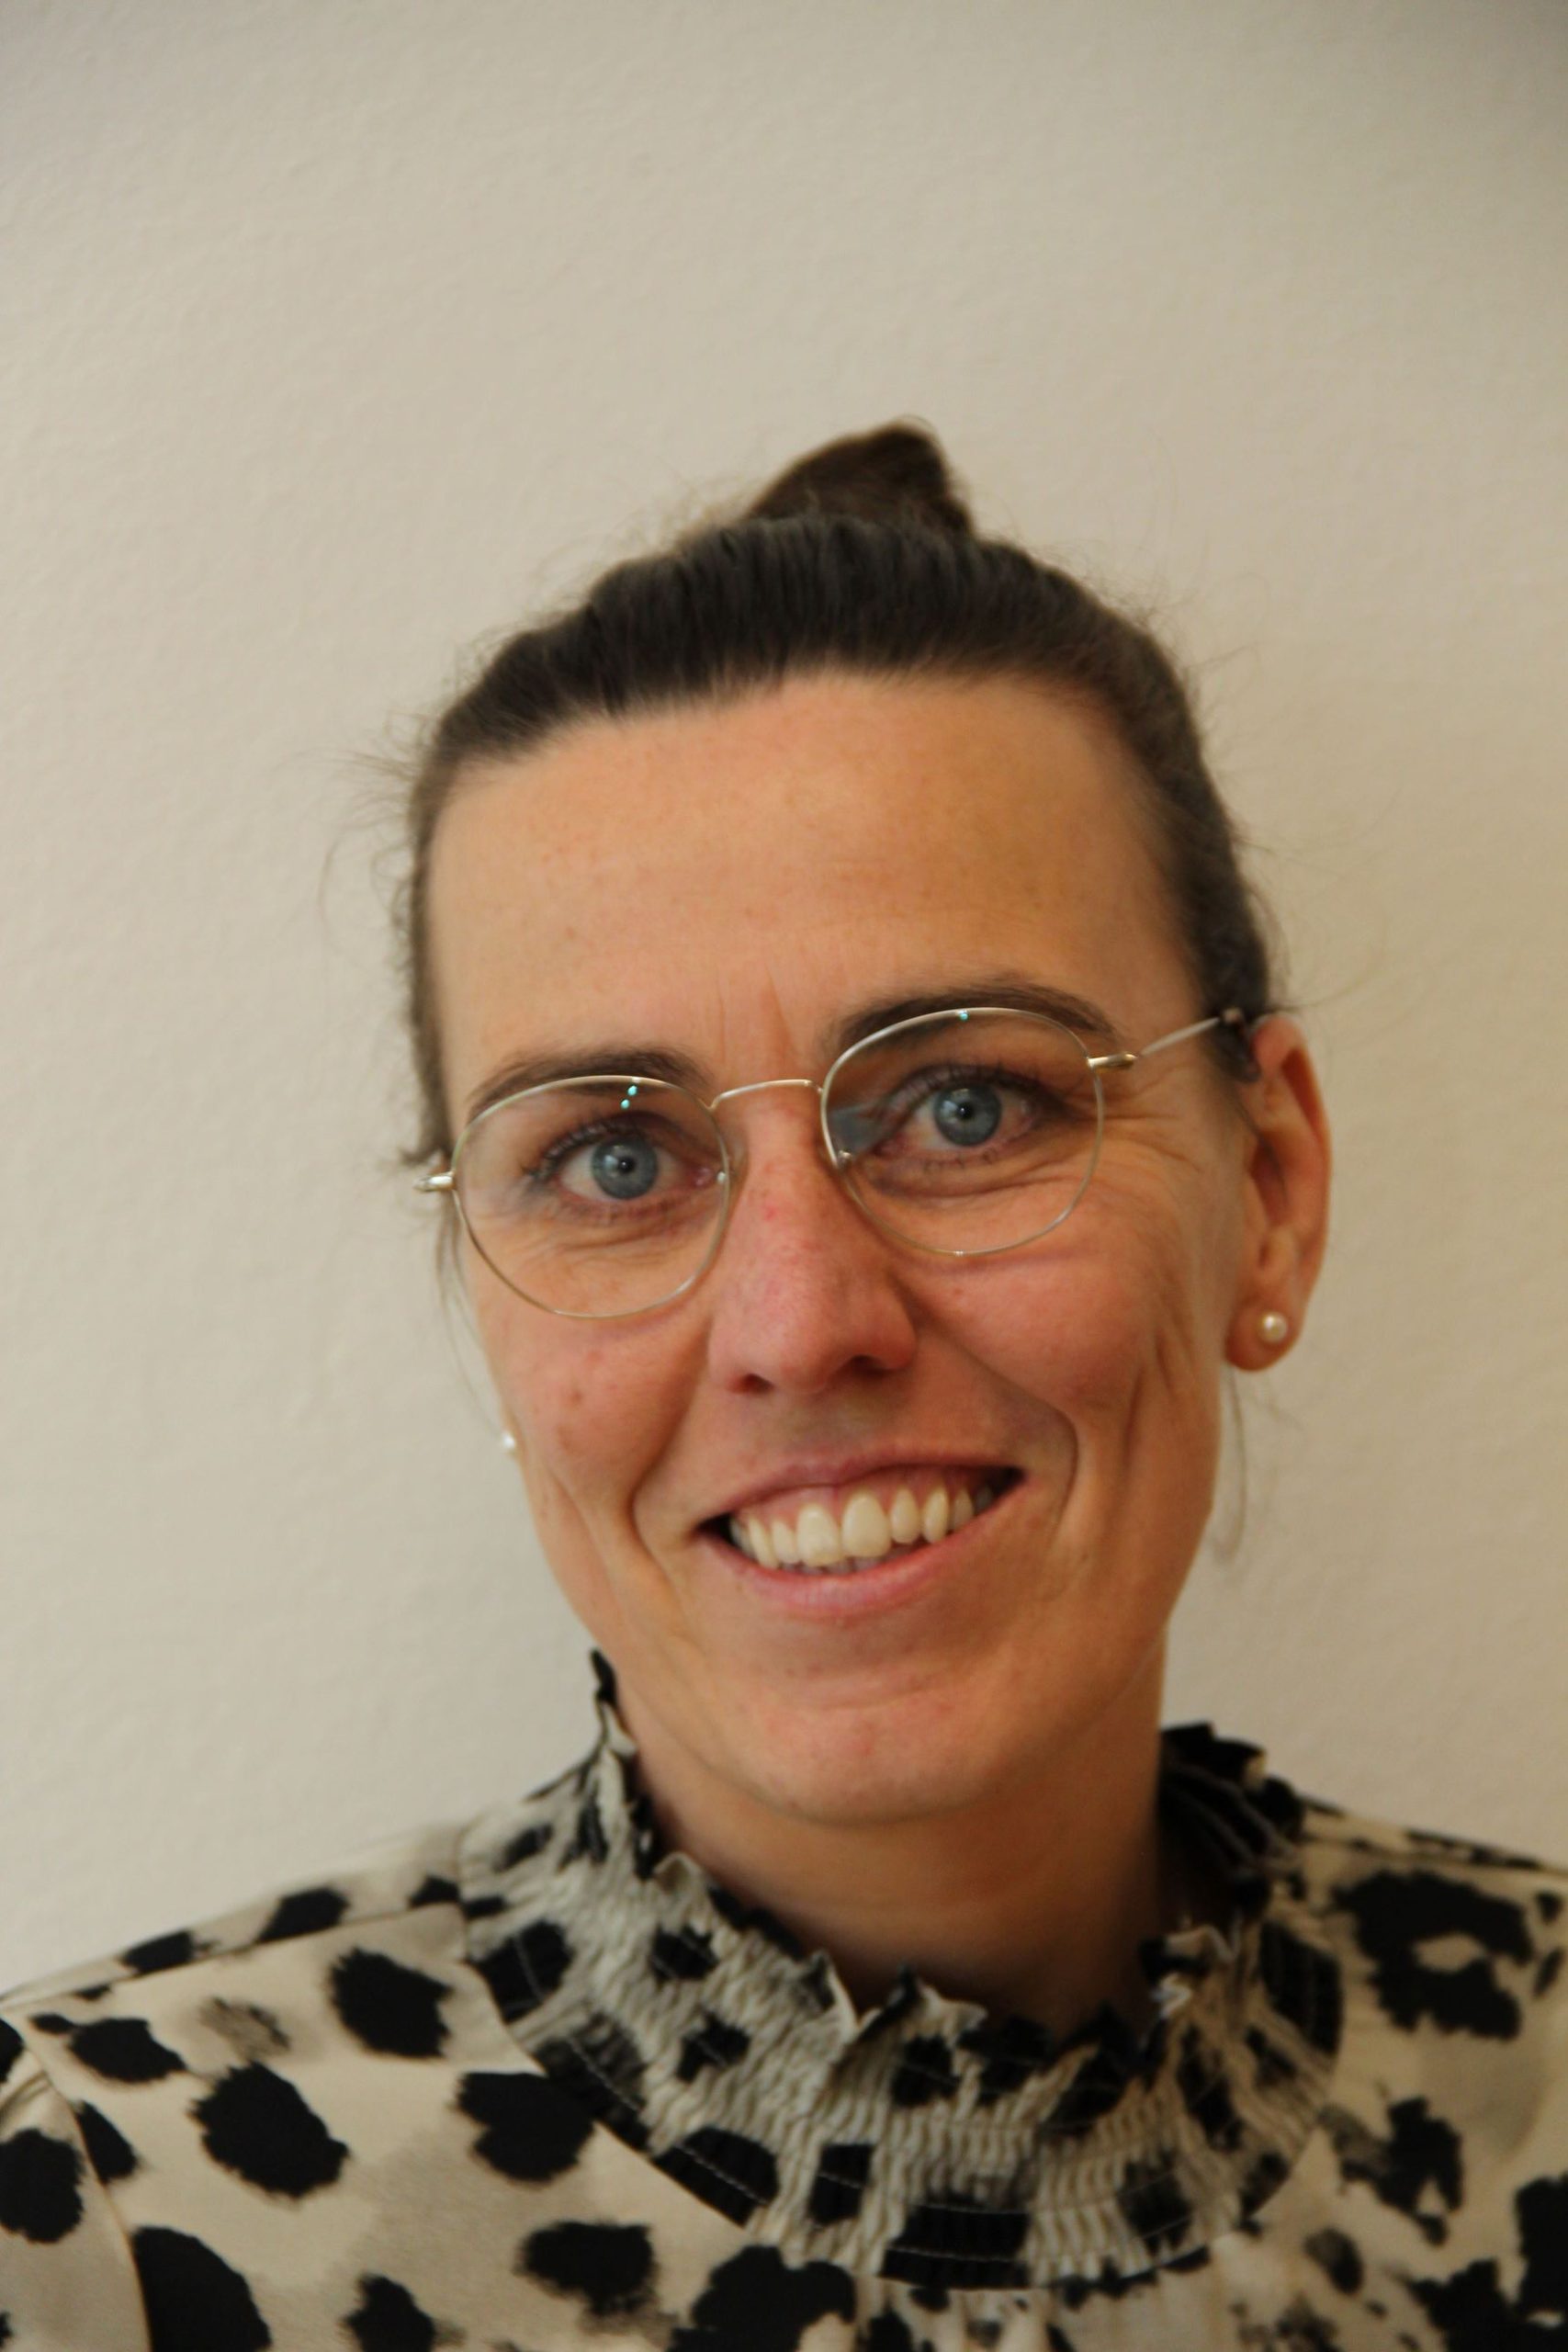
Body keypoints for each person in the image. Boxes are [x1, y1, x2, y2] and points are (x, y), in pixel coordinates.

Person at [1, 425, 1562, 2351]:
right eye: (614, 1159)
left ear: (1269, 1194)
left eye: (963, 1106)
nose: (799, 1320)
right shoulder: (93, 2227)